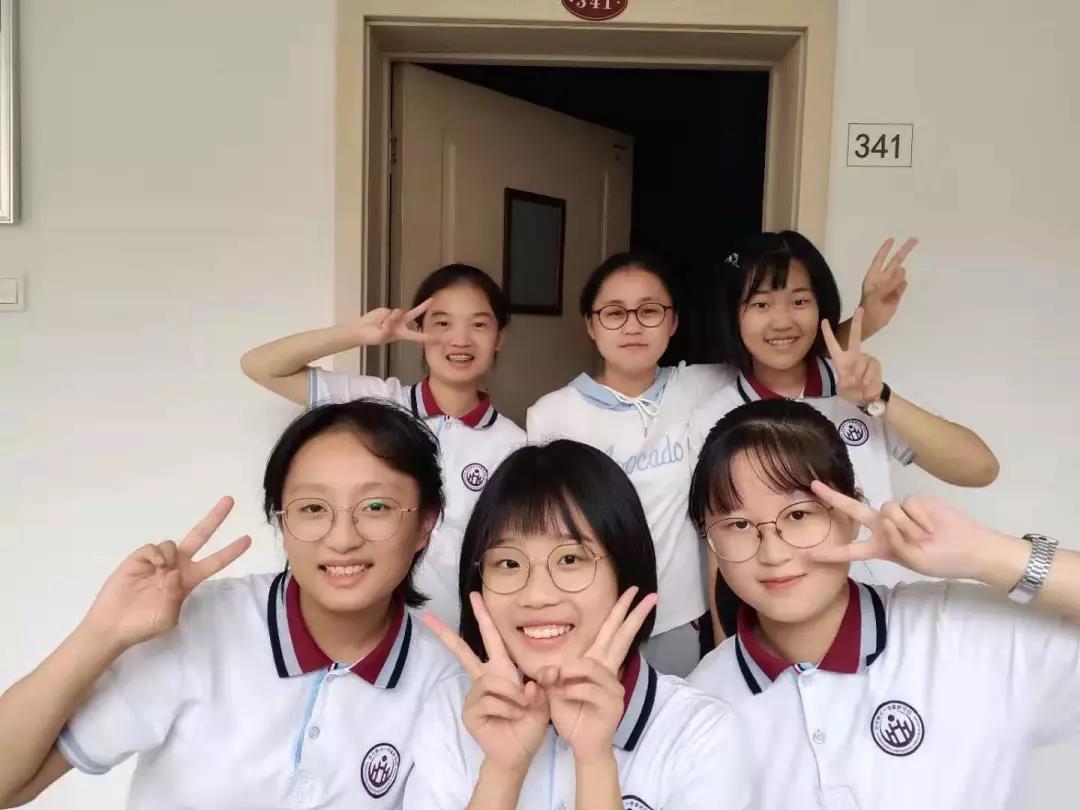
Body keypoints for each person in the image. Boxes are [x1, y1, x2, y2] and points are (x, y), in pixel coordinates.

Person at [0, 399, 458, 809]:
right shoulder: (199, 625)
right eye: (313, 508)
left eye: (376, 507)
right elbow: (8, 786)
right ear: (281, 522)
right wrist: (101, 635)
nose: (342, 539)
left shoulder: (442, 678)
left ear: (425, 524)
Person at [526, 245, 907, 674]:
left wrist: (865, 319)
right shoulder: (551, 415)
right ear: (590, 324)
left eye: (649, 311)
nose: (633, 326)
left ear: (673, 321)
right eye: (614, 313)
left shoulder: (703, 385)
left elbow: (781, 347)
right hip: (590, 609)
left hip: (681, 617)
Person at [687, 398, 1079, 810]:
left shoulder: (960, 632)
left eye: (799, 515)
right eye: (739, 525)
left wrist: (986, 554)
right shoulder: (700, 704)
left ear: (852, 512)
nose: (773, 553)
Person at [406, 440, 752, 810]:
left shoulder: (700, 733)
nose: (537, 595)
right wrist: (502, 770)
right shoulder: (452, 712)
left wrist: (595, 761)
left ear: (626, 570)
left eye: (570, 559)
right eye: (508, 563)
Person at [691, 233, 997, 634]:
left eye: (799, 301)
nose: (782, 322)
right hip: (782, 627)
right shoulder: (715, 416)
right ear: (733, 314)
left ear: (821, 306)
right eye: (761, 304)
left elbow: (980, 469)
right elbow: (720, 549)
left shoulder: (860, 387)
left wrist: (880, 398)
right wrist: (727, 652)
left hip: (886, 614)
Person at [242, 263, 525, 629]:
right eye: (442, 323)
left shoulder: (514, 445)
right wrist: (357, 334)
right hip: (363, 625)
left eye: (479, 325)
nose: (460, 340)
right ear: (418, 330)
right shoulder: (375, 403)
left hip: (457, 635)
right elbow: (260, 366)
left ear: (500, 336)